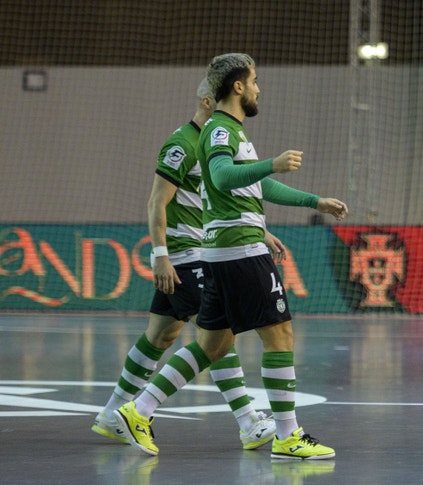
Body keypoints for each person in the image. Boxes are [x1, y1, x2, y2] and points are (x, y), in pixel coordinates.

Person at [115, 53, 348, 460]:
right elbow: (224, 177)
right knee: (280, 336)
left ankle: (139, 408)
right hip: (239, 250)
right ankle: (287, 436)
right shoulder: (222, 130)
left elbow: (257, 187)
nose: (259, 88)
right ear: (237, 86)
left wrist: (315, 201)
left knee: (212, 345)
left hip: (223, 252)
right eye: (255, 81)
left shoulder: (229, 131)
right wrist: (271, 164)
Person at [92, 78, 280, 451]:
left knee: (160, 336)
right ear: (210, 101)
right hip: (185, 254)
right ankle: (248, 422)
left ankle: (113, 413)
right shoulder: (184, 143)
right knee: (218, 336)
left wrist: (261, 230)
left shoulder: (215, 141)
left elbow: (224, 197)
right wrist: (160, 256)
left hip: (199, 248)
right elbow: (156, 203)